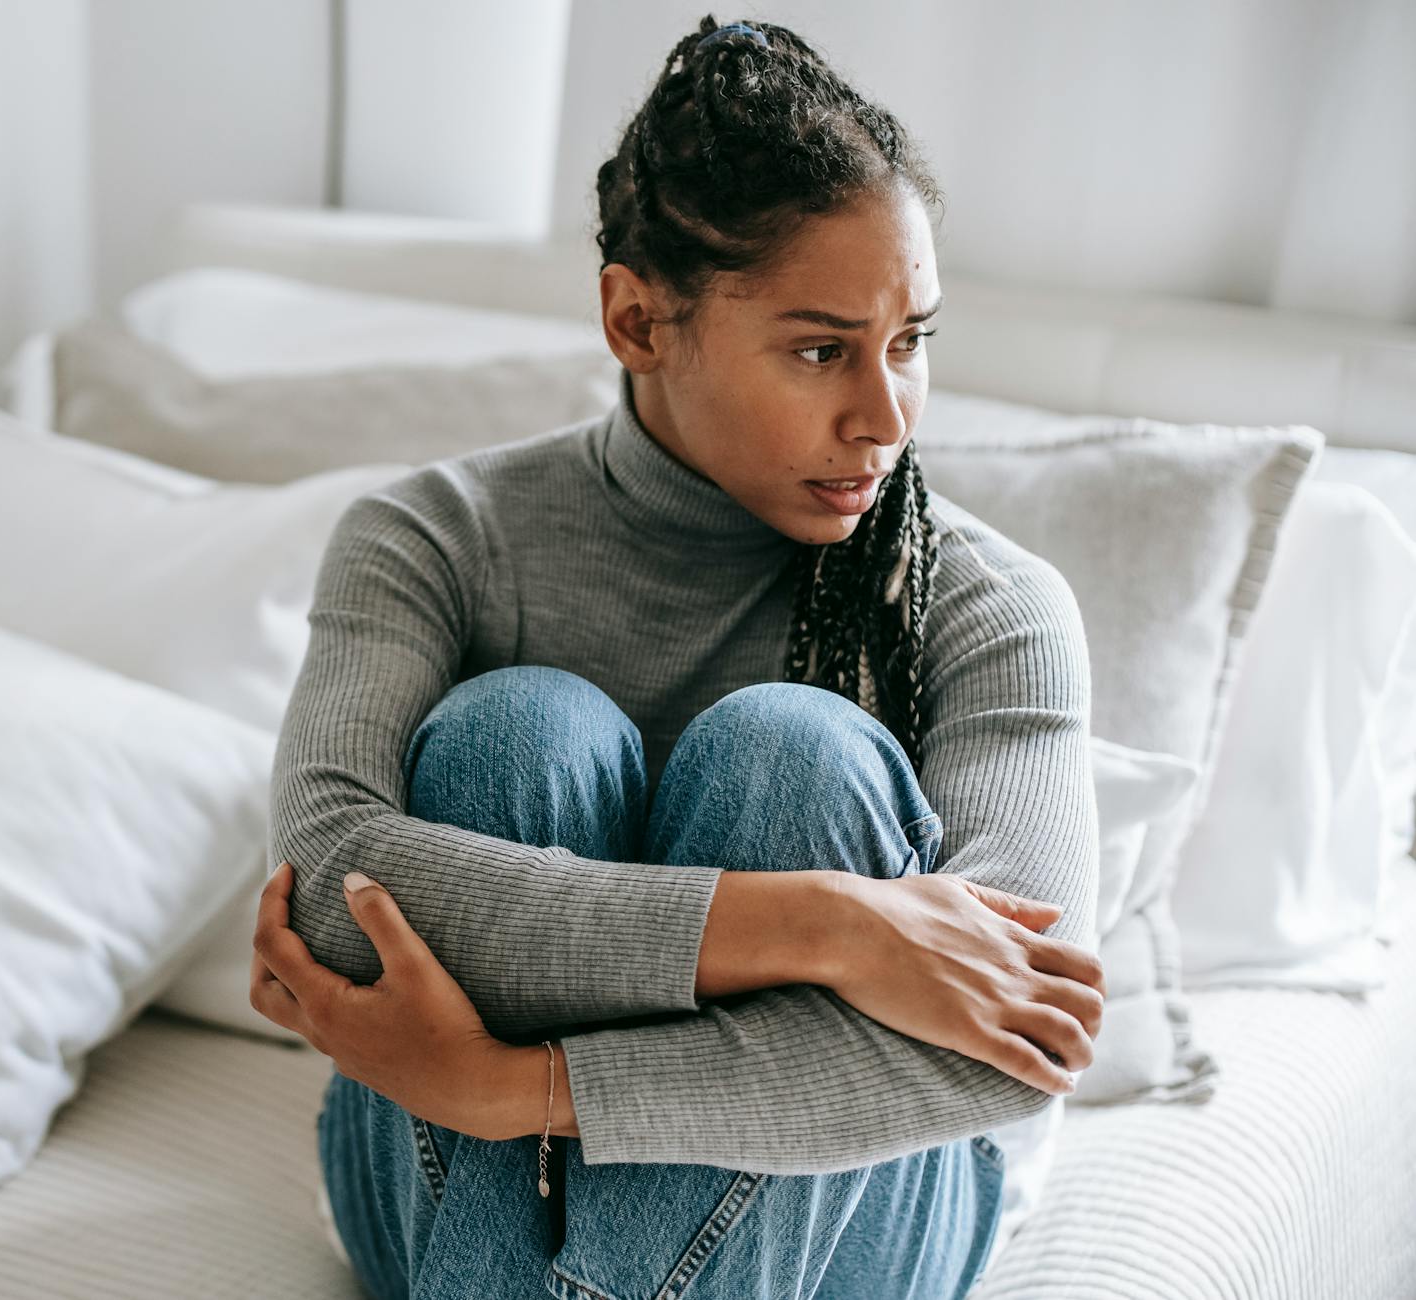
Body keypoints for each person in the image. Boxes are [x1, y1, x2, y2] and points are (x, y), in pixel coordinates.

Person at [247, 14, 1106, 1299]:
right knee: (515, 734)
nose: (885, 417)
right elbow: (326, 884)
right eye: (823, 349)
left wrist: (515, 1090)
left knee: (793, 751)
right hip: (408, 1167)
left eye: (912, 340)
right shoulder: (433, 539)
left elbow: (1009, 1042)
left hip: (867, 1202)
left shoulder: (987, 606)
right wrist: (830, 925)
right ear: (639, 321)